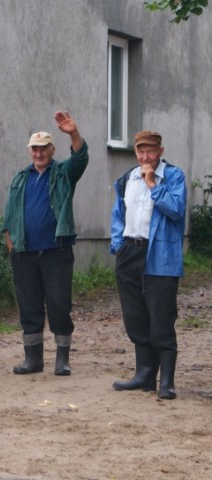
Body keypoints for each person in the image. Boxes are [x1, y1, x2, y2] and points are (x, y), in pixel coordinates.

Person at [3, 111, 89, 376]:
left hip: (56, 251)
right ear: (30, 151)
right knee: (28, 306)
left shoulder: (63, 172)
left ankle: (62, 360)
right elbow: (9, 213)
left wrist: (73, 133)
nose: (39, 153)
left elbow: (80, 158)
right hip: (24, 253)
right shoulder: (20, 177)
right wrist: (10, 244)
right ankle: (33, 360)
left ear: (52, 150)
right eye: (35, 149)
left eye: (44, 148)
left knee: (59, 305)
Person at [110, 131, 187, 400]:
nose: (146, 157)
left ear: (160, 151)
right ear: (135, 152)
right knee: (135, 316)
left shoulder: (174, 176)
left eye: (151, 151)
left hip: (160, 254)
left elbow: (176, 209)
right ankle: (144, 374)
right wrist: (118, 246)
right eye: (141, 152)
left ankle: (167, 381)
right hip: (130, 252)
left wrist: (153, 184)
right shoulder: (127, 179)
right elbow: (118, 214)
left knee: (161, 317)